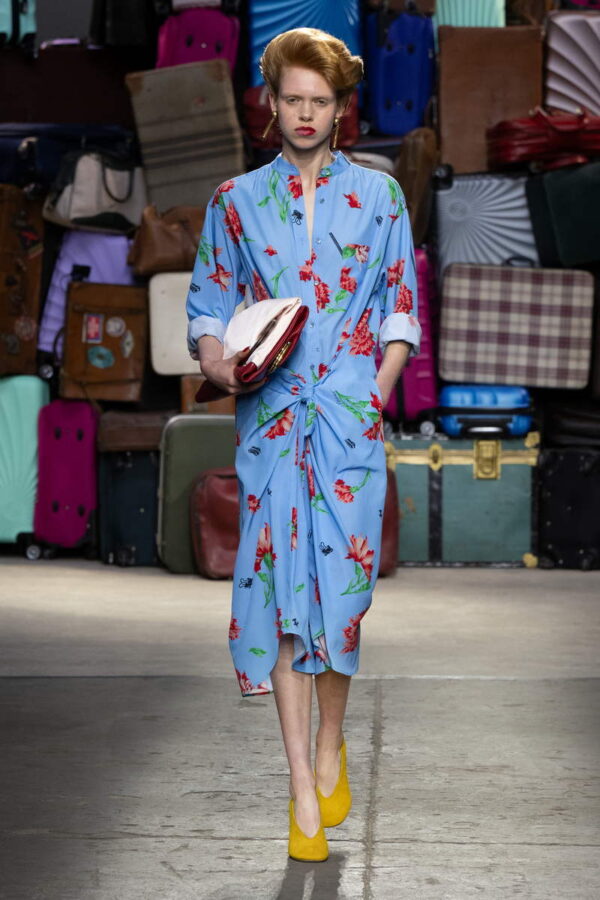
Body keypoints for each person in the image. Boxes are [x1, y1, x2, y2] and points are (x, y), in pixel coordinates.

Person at [186, 27, 421, 862]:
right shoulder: (235, 201)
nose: (307, 114)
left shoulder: (381, 197)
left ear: (341, 106)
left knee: (342, 602)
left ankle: (330, 745)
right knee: (286, 604)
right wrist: (218, 362)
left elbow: (400, 306)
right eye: (293, 99)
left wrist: (375, 395)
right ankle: (300, 788)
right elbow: (208, 304)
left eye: (321, 101)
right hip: (274, 424)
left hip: (348, 426)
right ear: (271, 102)